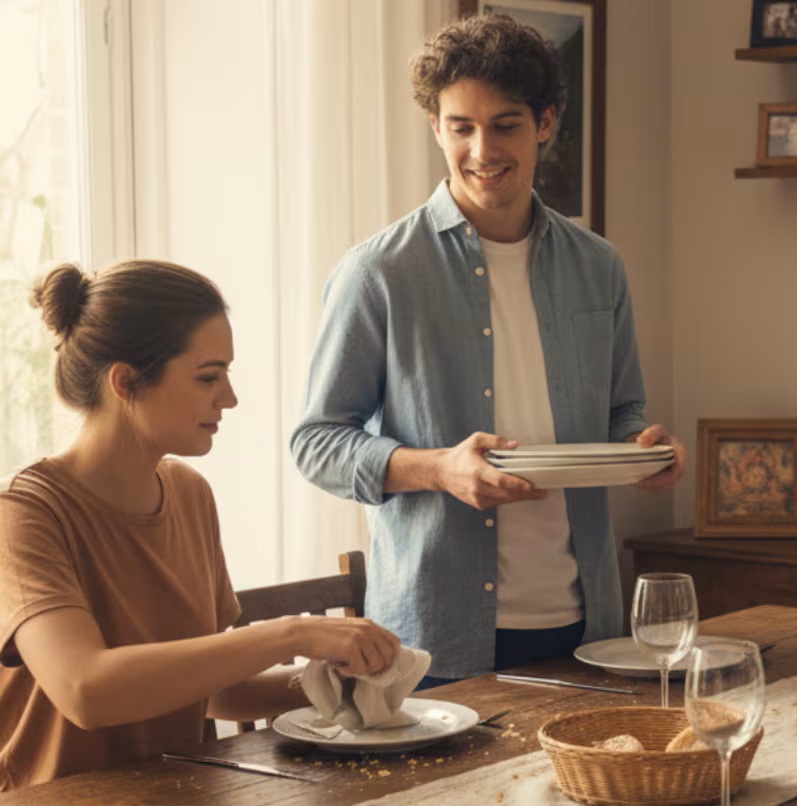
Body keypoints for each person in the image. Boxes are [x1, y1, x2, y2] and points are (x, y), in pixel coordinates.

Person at [290, 13, 684, 687]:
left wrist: (642, 448)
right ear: (436, 128)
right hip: (436, 635)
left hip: (586, 625)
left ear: (546, 123)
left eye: (505, 125)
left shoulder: (599, 266)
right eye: (461, 127)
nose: (482, 150)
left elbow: (623, 408)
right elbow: (317, 444)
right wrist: (441, 469)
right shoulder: (377, 273)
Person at [0, 260, 399, 789]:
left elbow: (216, 692)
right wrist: (294, 632)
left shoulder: (189, 495)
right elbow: (84, 690)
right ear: (125, 382)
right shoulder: (26, 513)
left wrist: (337, 680)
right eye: (208, 376)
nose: (229, 397)